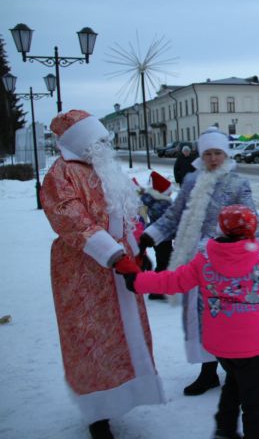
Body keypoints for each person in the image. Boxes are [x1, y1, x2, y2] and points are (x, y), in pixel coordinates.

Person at [118, 205, 259, 439]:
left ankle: (225, 428)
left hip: (219, 345)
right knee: (254, 402)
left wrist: (138, 282)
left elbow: (173, 281)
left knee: (234, 382)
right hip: (251, 348)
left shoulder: (204, 260)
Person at [40, 110, 164, 439]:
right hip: (83, 271)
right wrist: (115, 255)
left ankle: (126, 394)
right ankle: (98, 413)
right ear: (80, 142)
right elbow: (71, 220)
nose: (104, 145)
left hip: (120, 267)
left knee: (124, 335)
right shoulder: (61, 173)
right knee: (91, 338)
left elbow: (125, 214)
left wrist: (137, 249)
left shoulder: (105, 168)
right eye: (97, 140)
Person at [140, 127, 259, 397]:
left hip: (233, 260)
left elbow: (253, 219)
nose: (213, 158)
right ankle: (208, 372)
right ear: (201, 155)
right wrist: (150, 235)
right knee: (199, 316)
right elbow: (175, 215)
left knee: (232, 314)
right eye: (208, 153)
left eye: (218, 153)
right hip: (199, 261)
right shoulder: (192, 181)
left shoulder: (237, 183)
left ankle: (239, 364)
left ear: (226, 154)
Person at [138, 171, 175, 300]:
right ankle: (157, 290)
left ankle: (161, 288)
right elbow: (169, 222)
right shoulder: (162, 204)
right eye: (169, 191)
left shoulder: (156, 201)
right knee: (164, 263)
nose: (171, 193)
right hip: (162, 238)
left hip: (160, 238)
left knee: (165, 262)